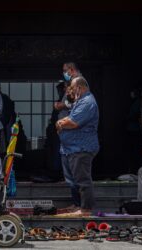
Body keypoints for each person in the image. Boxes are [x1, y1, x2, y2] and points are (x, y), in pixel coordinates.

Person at [56, 76, 99, 216]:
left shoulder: (87, 102)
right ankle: (77, 205)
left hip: (81, 147)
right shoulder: (79, 102)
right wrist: (63, 122)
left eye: (73, 88)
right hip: (70, 148)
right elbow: (68, 119)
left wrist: (61, 123)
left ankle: (85, 209)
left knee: (82, 179)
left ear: (80, 88)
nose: (71, 91)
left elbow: (73, 122)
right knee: (73, 180)